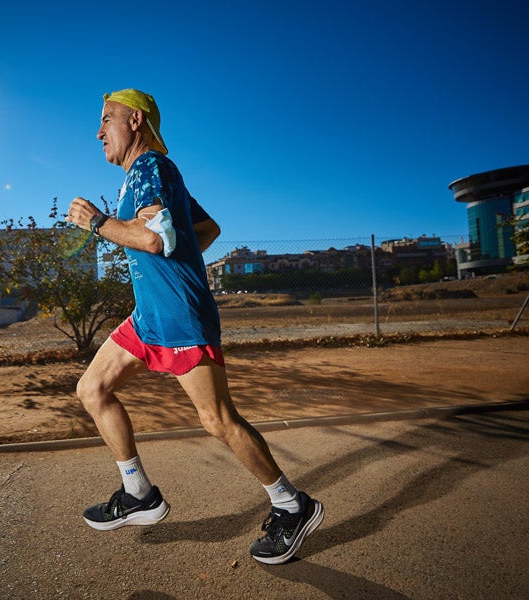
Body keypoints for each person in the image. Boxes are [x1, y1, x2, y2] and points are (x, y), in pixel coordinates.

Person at [64, 89, 323, 564]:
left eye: (106, 120)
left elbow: (155, 239)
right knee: (92, 388)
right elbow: (205, 229)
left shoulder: (151, 169)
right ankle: (138, 493)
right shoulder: (149, 177)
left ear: (135, 121)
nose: (99, 132)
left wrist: (98, 222)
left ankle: (293, 504)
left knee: (217, 420)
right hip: (149, 318)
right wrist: (177, 255)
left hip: (181, 317)